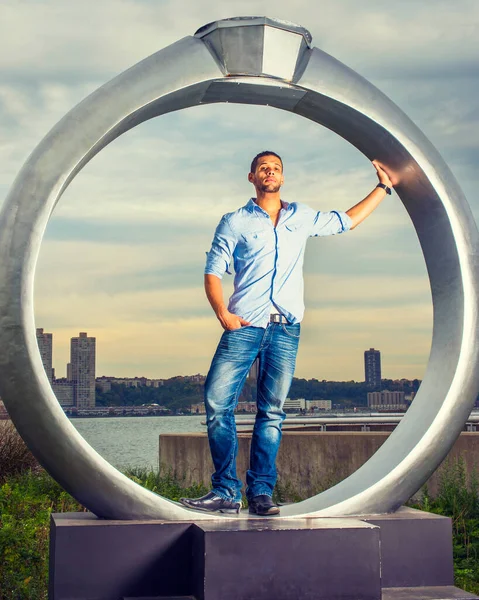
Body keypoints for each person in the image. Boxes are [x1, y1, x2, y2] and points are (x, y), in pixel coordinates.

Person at [180, 151, 393, 516]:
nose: (270, 171)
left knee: (272, 413)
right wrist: (223, 315)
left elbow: (346, 221)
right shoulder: (234, 222)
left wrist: (383, 188)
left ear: (283, 177)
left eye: (276, 167)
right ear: (252, 177)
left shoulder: (302, 216)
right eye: (263, 167)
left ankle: (261, 493)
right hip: (244, 325)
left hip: (285, 329)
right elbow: (213, 271)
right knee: (217, 404)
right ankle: (226, 493)